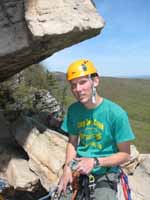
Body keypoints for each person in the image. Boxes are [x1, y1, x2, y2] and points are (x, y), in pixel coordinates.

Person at [58, 59, 135, 200]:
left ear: (95, 81)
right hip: (78, 168)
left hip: (105, 170)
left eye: (82, 82)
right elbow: (72, 141)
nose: (78, 89)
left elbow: (125, 154)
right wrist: (67, 168)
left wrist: (95, 162)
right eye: (73, 85)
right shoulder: (73, 110)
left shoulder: (116, 113)